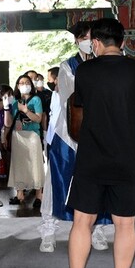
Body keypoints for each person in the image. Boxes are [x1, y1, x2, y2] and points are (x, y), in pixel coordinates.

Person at [54, 18, 135, 268]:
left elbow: (79, 105)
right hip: (126, 157)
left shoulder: (85, 71)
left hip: (91, 157)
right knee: (125, 224)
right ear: (122, 42)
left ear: (95, 42)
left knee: (83, 221)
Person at [41, 21, 110, 253]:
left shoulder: (105, 63)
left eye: (92, 38)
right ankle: (48, 230)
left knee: (99, 182)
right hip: (68, 133)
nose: (89, 42)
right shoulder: (67, 65)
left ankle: (98, 229)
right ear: (77, 40)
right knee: (59, 180)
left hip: (99, 131)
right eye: (84, 37)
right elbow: (69, 96)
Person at [6, 74, 45, 210]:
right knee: (19, 164)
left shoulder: (36, 100)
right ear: (17, 86)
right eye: (21, 83)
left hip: (32, 136)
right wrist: (7, 108)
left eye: (27, 82)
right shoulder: (15, 102)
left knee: (35, 164)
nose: (24, 85)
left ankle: (39, 195)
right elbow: (9, 122)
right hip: (18, 136)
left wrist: (26, 110)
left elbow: (38, 119)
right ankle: (20, 194)